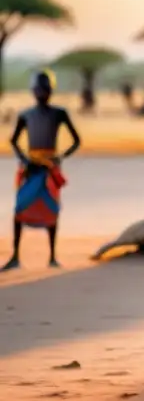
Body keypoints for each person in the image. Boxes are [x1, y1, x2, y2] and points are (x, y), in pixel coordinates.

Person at [4, 70, 80, 271]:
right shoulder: (26, 115)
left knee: (52, 210)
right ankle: (15, 256)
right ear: (33, 91)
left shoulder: (59, 113)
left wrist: (59, 157)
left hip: (49, 169)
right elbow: (13, 141)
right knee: (20, 208)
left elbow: (76, 140)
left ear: (51, 90)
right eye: (38, 89)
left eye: (45, 89)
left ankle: (52, 256)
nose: (42, 92)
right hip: (30, 169)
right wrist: (24, 160)